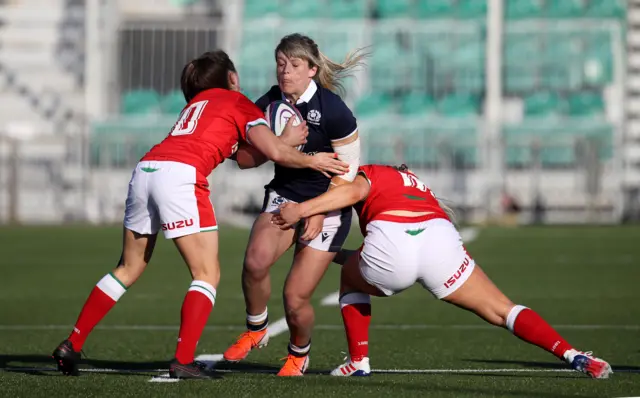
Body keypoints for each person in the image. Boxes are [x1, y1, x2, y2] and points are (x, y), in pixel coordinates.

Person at [51, 50, 349, 379]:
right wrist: (312, 159)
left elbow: (249, 157)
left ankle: (73, 343)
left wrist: (279, 143)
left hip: (146, 169)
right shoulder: (239, 104)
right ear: (232, 79)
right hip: (181, 176)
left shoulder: (195, 106)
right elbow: (276, 152)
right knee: (207, 273)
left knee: (128, 267)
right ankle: (183, 359)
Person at [272, 164, 613, 379]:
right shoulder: (420, 187)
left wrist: (303, 210)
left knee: (350, 277)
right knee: (502, 309)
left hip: (393, 242)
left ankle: (359, 362)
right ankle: (574, 355)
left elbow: (352, 190)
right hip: (439, 239)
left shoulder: (373, 172)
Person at [223, 33, 367, 376]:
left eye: (294, 65)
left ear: (312, 70)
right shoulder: (269, 104)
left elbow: (348, 173)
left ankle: (299, 354)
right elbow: (242, 158)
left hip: (328, 204)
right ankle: (256, 329)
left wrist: (318, 210)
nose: (284, 71)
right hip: (283, 196)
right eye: (280, 63)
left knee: (295, 297)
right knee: (255, 262)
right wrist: (278, 144)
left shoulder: (334, 111)